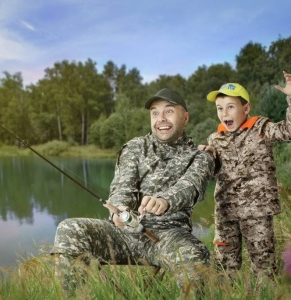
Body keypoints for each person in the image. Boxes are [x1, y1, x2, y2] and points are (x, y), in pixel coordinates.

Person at [51, 88, 215, 293]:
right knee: (69, 228)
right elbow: (122, 186)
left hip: (169, 236)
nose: (161, 119)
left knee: (196, 258)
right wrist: (118, 208)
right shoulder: (134, 147)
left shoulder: (200, 156)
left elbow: (191, 185)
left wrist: (164, 200)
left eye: (169, 111)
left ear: (186, 117)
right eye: (155, 113)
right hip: (124, 234)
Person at [202, 71, 291, 281]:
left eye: (231, 107)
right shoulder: (215, 138)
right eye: (220, 108)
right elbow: (213, 171)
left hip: (257, 211)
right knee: (224, 268)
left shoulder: (261, 129)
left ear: (246, 108)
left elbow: (289, 131)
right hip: (226, 212)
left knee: (264, 268)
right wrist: (205, 158)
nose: (224, 113)